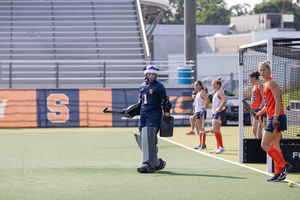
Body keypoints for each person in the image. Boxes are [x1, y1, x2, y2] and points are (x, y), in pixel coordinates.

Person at [123, 65, 172, 173]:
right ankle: (156, 161)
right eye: (149, 74)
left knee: (149, 138)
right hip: (143, 116)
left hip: (154, 115)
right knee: (142, 137)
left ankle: (149, 164)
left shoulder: (159, 86)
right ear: (146, 74)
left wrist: (166, 112)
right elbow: (140, 102)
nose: (151, 76)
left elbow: (165, 101)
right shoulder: (142, 86)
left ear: (156, 75)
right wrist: (130, 110)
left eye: (153, 74)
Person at [254, 61, 292, 182]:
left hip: (276, 118)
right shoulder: (265, 84)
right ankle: (278, 173)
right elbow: (268, 104)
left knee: (264, 145)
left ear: (269, 70)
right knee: (275, 145)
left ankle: (285, 165)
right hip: (273, 117)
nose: (262, 72)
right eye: (260, 70)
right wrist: (259, 113)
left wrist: (275, 118)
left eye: (264, 70)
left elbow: (278, 101)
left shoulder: (272, 82)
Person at [210, 77, 227, 154]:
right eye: (212, 85)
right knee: (216, 130)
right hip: (215, 113)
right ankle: (218, 147)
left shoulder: (220, 92)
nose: (213, 87)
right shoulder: (217, 92)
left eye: (214, 85)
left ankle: (221, 147)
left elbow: (225, 100)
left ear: (218, 85)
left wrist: (219, 108)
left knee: (215, 130)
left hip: (219, 113)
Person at [249, 70, 267, 138]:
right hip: (253, 109)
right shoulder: (254, 86)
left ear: (254, 78)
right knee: (254, 130)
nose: (250, 81)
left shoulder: (260, 85)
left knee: (256, 130)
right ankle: (259, 142)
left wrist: (260, 108)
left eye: (250, 79)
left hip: (258, 109)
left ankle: (261, 142)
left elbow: (264, 97)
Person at [193, 81, 209, 150]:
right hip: (198, 112)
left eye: (197, 85)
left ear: (200, 86)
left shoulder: (202, 93)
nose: (195, 86)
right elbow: (197, 105)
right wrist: (195, 113)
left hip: (201, 112)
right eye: (195, 85)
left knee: (201, 129)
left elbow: (207, 101)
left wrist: (204, 109)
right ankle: (201, 144)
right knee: (200, 129)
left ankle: (203, 144)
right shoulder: (198, 93)